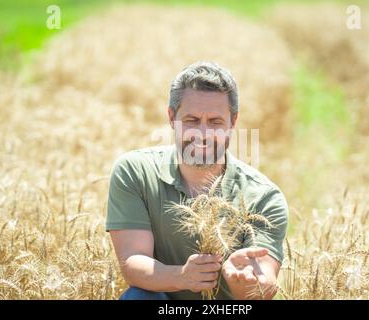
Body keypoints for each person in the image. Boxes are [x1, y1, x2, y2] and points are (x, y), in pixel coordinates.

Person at [106, 61, 288, 300]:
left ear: (233, 122)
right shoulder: (136, 171)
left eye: (215, 122)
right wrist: (182, 276)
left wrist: (246, 282)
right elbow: (133, 261)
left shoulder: (263, 197)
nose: (203, 134)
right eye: (191, 120)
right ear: (172, 117)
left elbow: (263, 284)